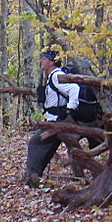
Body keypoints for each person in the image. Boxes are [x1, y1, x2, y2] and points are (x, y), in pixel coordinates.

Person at [24, 49, 80, 187]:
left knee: (35, 143)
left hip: (58, 121)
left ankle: (32, 178)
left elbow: (74, 89)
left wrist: (69, 109)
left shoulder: (57, 76)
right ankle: (79, 176)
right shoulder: (52, 77)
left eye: (44, 59)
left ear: (52, 62)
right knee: (58, 147)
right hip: (54, 119)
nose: (41, 61)